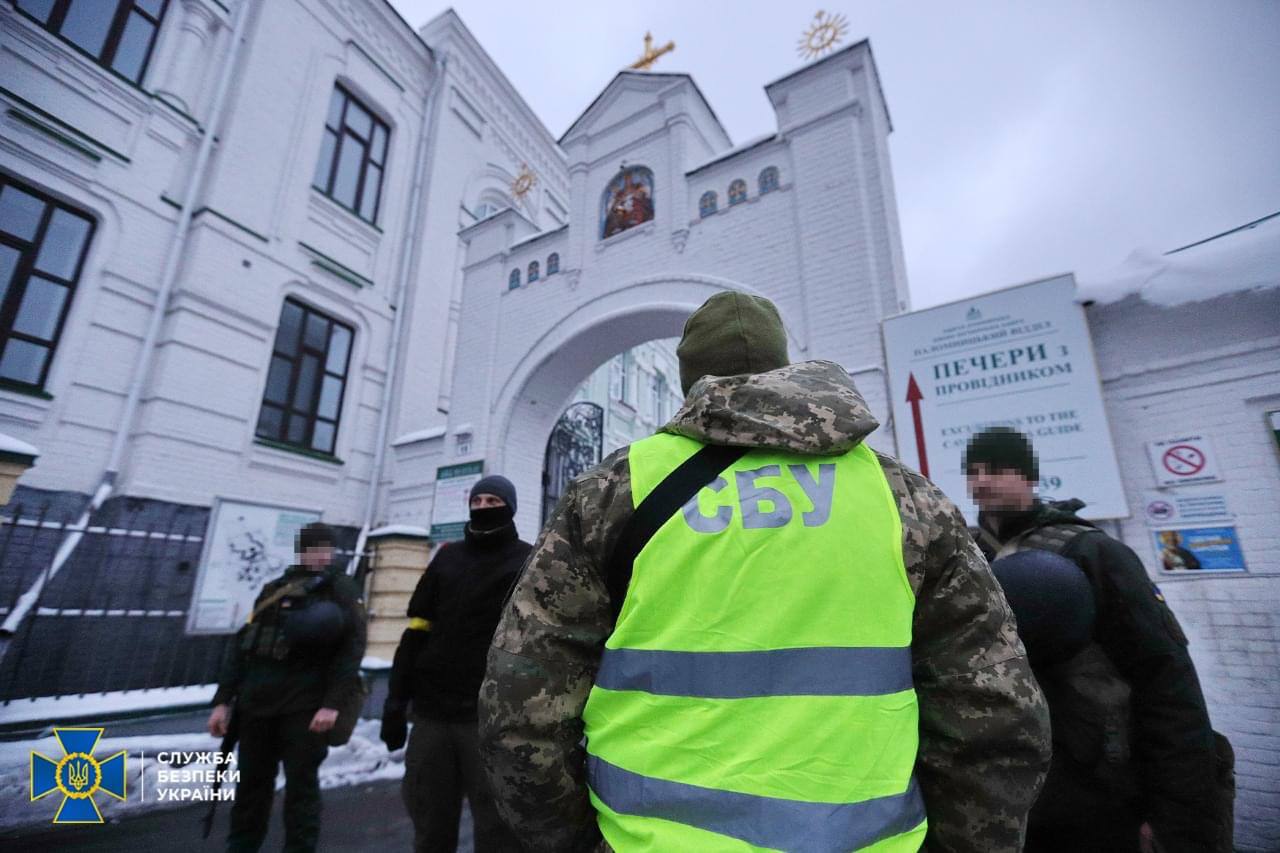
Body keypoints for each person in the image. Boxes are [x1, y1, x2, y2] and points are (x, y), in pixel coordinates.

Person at [479, 292, 1051, 852]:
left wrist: (573, 839)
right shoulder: (904, 499)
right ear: (783, 366)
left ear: (691, 381)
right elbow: (995, 710)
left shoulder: (613, 493)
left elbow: (521, 705)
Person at [964, 427, 1224, 852]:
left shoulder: (1093, 553)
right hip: (1002, 790)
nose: (982, 481)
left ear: (1029, 476)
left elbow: (1165, 681)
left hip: (1095, 792)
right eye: (973, 471)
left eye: (997, 468)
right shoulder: (970, 557)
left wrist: (1177, 818)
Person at [381, 476, 530, 853]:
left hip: (490, 718)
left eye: (492, 500)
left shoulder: (526, 560)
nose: (482, 506)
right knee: (430, 818)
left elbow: (538, 644)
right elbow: (416, 631)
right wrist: (395, 702)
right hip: (433, 714)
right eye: (476, 500)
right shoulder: (447, 557)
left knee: (498, 827)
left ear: (509, 507)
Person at [208, 522, 366, 853]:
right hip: (255, 706)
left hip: (304, 708)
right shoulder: (273, 589)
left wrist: (332, 704)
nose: (319, 555)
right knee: (250, 789)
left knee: (301, 792)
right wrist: (223, 700)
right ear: (301, 550)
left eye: (325, 549)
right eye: (311, 548)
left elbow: (352, 650)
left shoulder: (341, 590)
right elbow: (243, 646)